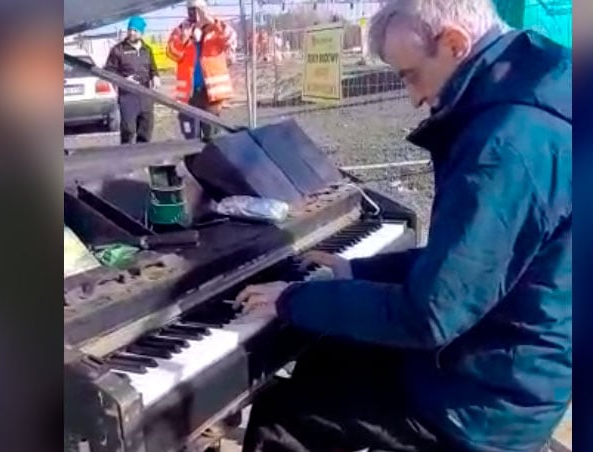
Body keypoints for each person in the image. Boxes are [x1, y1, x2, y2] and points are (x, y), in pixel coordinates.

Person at [235, 0, 572, 451]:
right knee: (328, 353)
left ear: (454, 43)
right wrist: (356, 271)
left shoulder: (505, 145)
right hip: (510, 358)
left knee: (284, 414)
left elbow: (431, 315)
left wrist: (294, 299)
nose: (413, 97)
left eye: (409, 75)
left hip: (485, 403)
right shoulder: (537, 86)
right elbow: (476, 259)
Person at [165, 0, 236, 142]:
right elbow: (172, 53)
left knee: (211, 137)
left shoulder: (216, 28)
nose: (195, 14)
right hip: (189, 95)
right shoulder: (181, 30)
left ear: (205, 10)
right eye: (191, 10)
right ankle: (193, 163)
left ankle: (210, 162)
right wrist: (184, 37)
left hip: (211, 94)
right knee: (191, 137)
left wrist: (212, 22)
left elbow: (230, 39)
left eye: (198, 9)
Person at [104, 16, 161, 144]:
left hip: (146, 95)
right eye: (130, 29)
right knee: (128, 130)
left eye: (135, 30)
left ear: (142, 32)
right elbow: (109, 71)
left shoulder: (147, 50)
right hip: (127, 97)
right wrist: (124, 80)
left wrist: (155, 76)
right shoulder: (118, 50)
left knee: (145, 130)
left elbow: (153, 68)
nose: (131, 33)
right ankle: (127, 159)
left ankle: (143, 159)